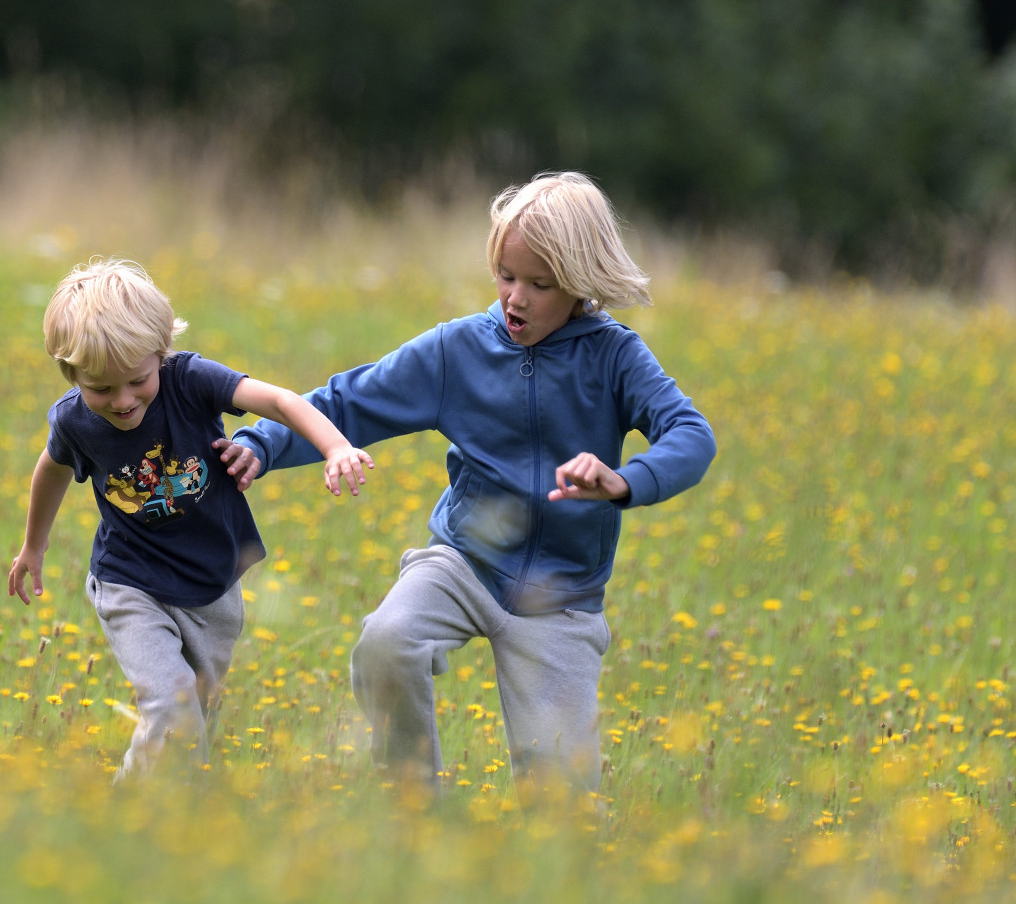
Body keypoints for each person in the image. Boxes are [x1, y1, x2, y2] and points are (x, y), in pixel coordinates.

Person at [218, 172, 715, 807]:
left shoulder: (615, 357)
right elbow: (348, 402)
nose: (516, 297)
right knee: (386, 643)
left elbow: (691, 434)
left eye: (540, 284)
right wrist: (261, 443)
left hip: (561, 597)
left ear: (580, 282)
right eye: (505, 276)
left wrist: (624, 482)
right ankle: (412, 807)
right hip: (463, 561)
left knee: (562, 808)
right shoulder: (458, 350)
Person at [9, 258, 375, 779]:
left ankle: (168, 811)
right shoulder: (74, 420)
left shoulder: (189, 380)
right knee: (173, 705)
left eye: (137, 380)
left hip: (212, 582)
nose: (122, 400)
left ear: (161, 354)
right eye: (100, 389)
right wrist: (34, 546)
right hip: (129, 580)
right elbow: (51, 470)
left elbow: (277, 400)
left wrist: (335, 446)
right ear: (71, 374)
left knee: (193, 718)